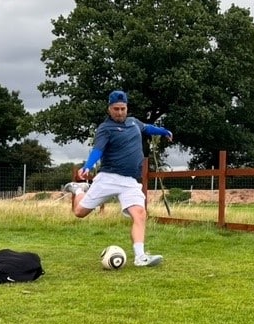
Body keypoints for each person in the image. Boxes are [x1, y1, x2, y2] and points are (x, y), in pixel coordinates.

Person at [64, 90, 173, 267]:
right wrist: (88, 166)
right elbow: (98, 150)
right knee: (79, 213)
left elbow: (147, 128)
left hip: (130, 181)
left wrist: (163, 131)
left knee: (140, 213)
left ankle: (140, 257)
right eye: (116, 109)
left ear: (127, 108)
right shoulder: (105, 129)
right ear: (109, 109)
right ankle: (78, 190)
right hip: (108, 178)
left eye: (123, 108)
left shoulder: (133, 122)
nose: (120, 112)